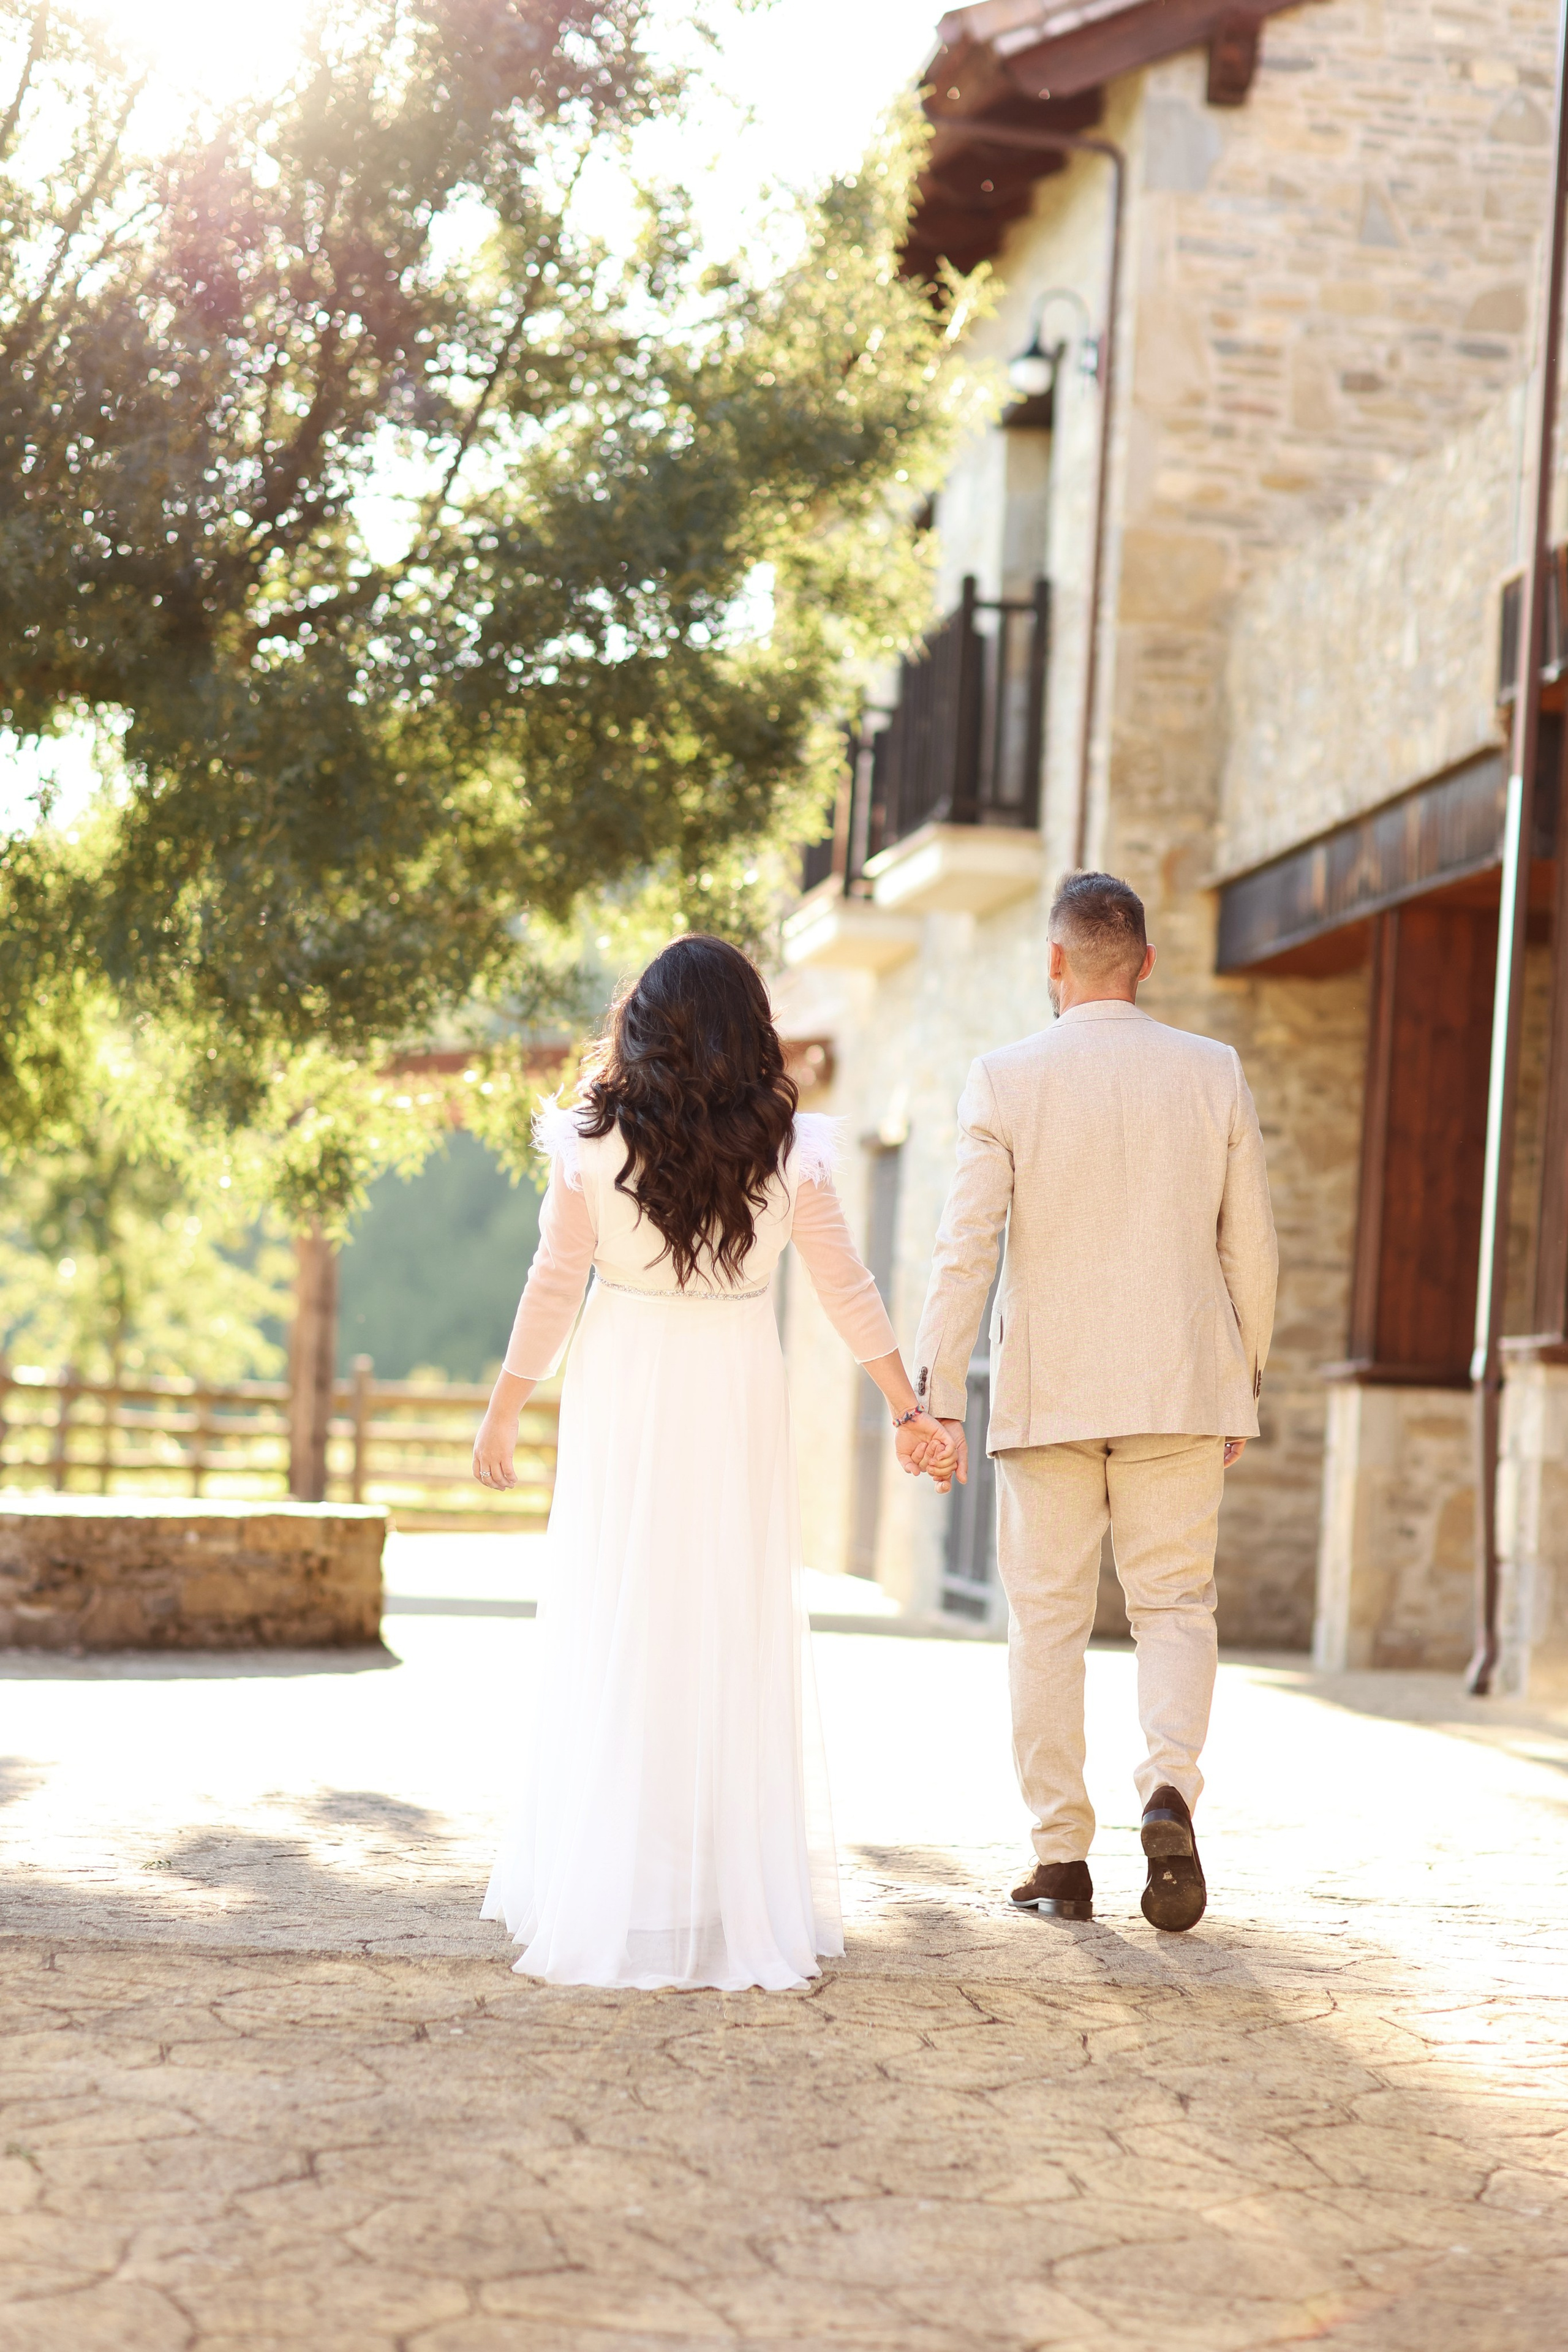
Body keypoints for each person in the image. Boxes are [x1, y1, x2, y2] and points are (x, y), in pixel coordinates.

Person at [473, 934, 956, 1991]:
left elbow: (555, 1283)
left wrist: (505, 1408)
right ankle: (709, 1890)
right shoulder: (789, 1151)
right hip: (735, 1378)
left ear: (642, 1023)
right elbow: (845, 1287)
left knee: (624, 1612)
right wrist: (907, 1406)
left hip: (628, 1380)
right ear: (750, 1028)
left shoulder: (592, 1143)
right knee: (722, 1620)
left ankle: (622, 1882)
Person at [913, 872, 1278, 1933]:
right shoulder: (1212, 1073)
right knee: (1173, 1606)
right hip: (1181, 1384)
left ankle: (1060, 1859)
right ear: (1148, 963)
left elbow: (964, 1246)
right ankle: (1168, 1791)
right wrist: (1240, 1381)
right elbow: (1249, 1245)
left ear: (1056, 963)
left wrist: (934, 1394)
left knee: (1048, 1625)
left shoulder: (1005, 1077)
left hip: (1050, 1393)